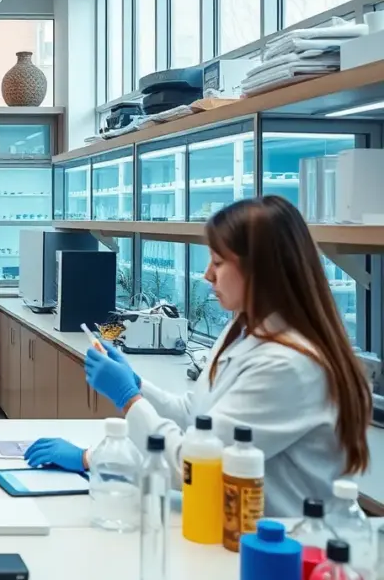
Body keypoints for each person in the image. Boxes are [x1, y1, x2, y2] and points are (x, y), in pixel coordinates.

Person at [24, 196, 371, 517]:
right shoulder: (242, 332)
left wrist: (128, 401)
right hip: (236, 529)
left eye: (218, 262)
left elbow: (192, 464)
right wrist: (138, 385)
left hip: (292, 544)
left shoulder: (288, 366)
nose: (207, 274)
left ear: (261, 270)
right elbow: (197, 415)